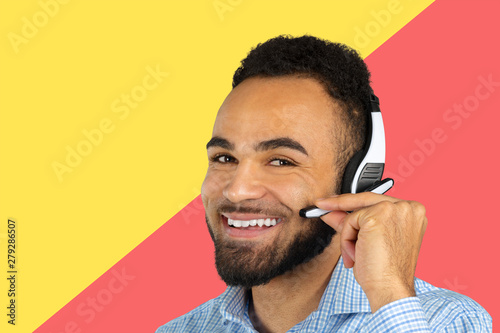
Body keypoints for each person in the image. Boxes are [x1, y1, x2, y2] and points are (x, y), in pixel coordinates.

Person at [156, 35, 492, 332]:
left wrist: (389, 293)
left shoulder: (448, 321)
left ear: (357, 181)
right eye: (225, 158)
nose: (236, 190)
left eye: (281, 161)